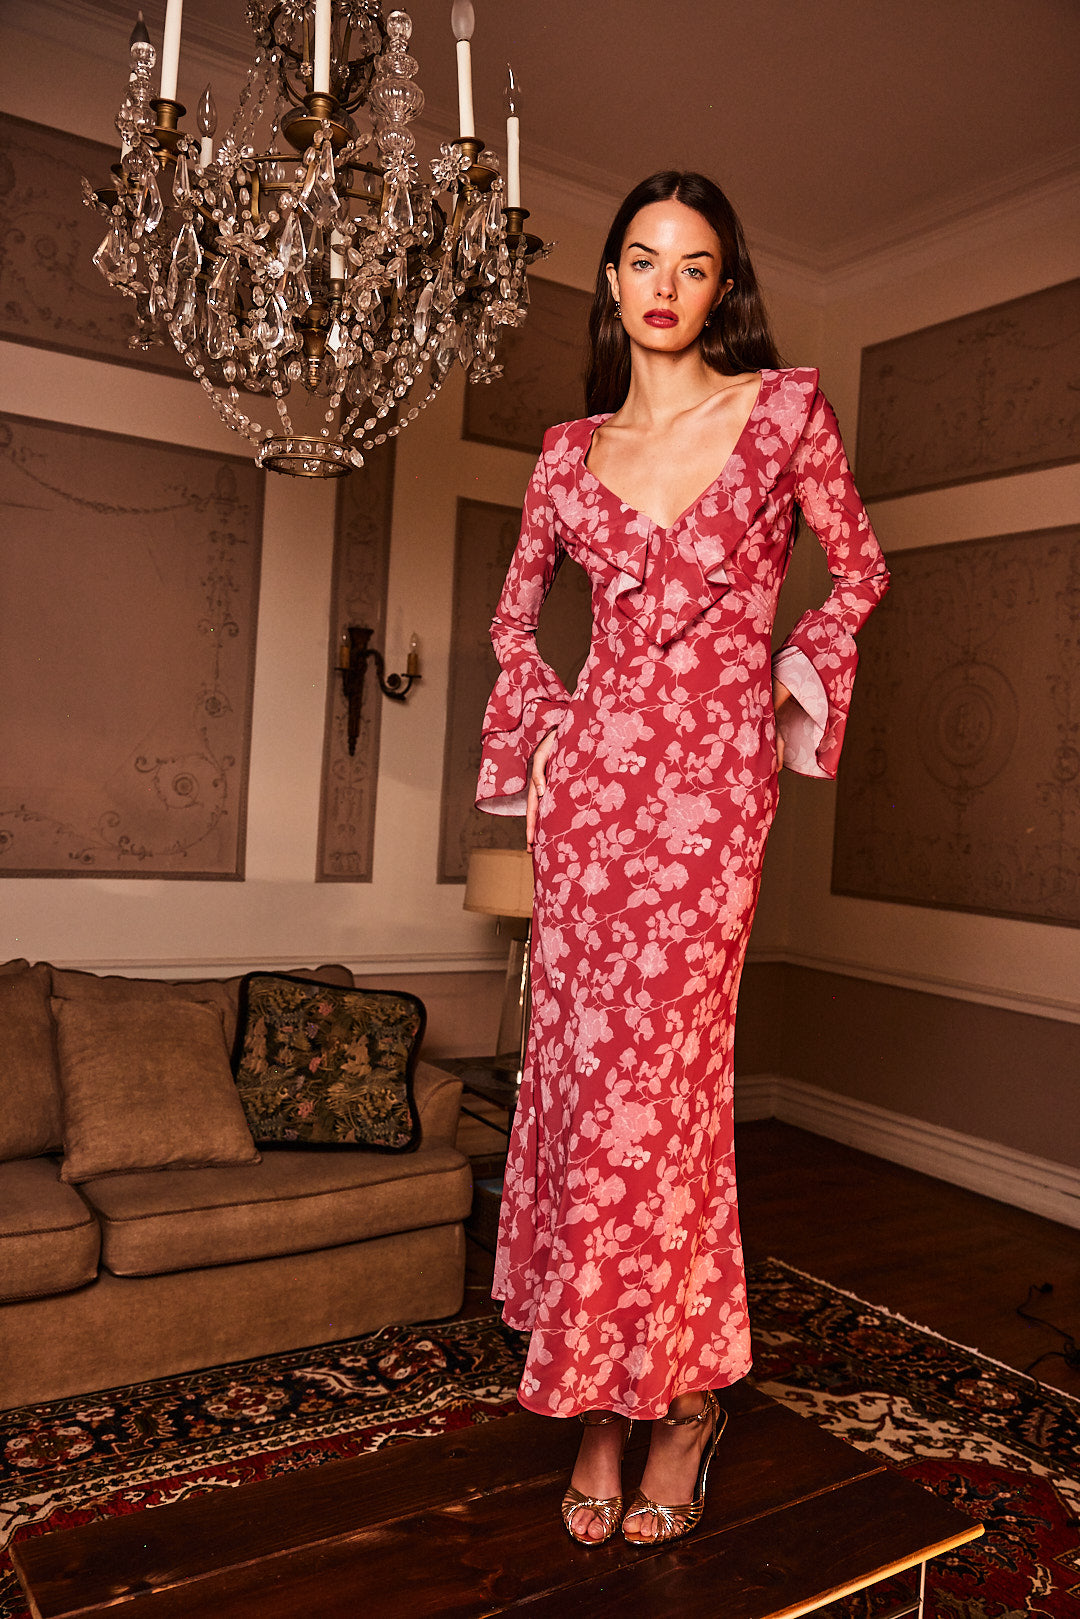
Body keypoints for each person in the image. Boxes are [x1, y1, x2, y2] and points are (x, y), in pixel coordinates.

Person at [475, 171, 890, 1548]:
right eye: (641, 258)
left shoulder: (781, 413)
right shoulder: (561, 452)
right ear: (608, 280)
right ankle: (606, 1404)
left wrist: (784, 695)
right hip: (594, 803)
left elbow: (861, 570)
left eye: (694, 264)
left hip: (711, 800)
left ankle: (689, 1397)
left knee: (670, 1085)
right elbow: (513, 623)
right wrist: (543, 738)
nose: (664, 283)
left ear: (725, 288)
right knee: (591, 1082)